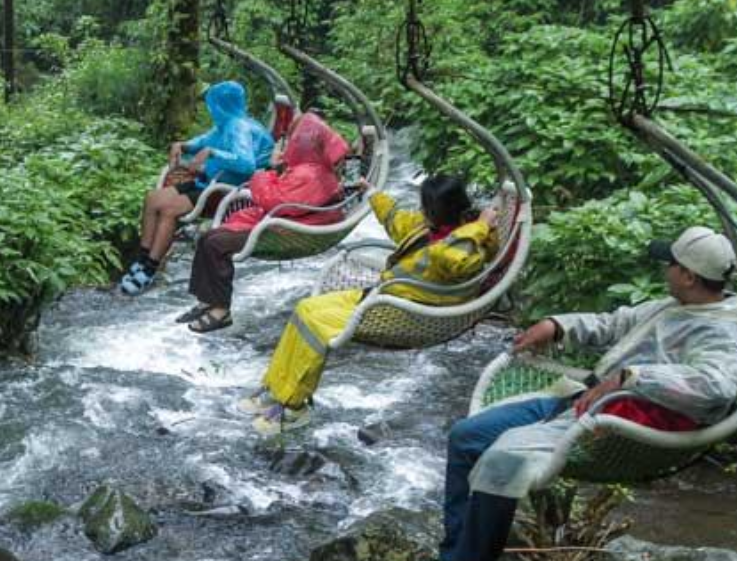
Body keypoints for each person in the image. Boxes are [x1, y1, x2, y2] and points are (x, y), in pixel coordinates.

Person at [391, 226, 737, 561]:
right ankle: (452, 560)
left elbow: (717, 386)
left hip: (610, 425)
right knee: (466, 437)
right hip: (582, 400)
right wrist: (557, 325)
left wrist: (633, 377)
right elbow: (615, 322)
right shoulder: (675, 304)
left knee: (501, 460)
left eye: (672, 263)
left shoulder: (722, 331)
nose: (665, 269)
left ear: (688, 276)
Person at [238, 173, 499, 435]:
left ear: (438, 210)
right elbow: (397, 220)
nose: (420, 210)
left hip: (403, 313)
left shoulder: (470, 243)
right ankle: (276, 388)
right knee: (306, 307)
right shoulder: (431, 227)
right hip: (384, 297)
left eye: (425, 206)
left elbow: (453, 257)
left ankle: (294, 407)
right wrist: (372, 193)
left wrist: (480, 226)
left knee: (316, 325)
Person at [178, 112, 352, 333]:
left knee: (215, 243)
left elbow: (274, 201)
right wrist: (278, 170)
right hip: (289, 223)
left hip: (285, 231)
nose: (288, 145)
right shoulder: (313, 168)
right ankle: (207, 300)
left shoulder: (309, 174)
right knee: (208, 239)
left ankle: (221, 310)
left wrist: (265, 171)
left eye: (292, 140)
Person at [118, 81, 274, 296]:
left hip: (229, 189)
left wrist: (213, 153)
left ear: (219, 104)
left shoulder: (239, 127)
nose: (209, 109)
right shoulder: (227, 123)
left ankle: (149, 269)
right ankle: (142, 257)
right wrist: (183, 145)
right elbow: (203, 140)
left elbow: (246, 164)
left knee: (168, 210)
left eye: (211, 104)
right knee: (153, 198)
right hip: (210, 181)